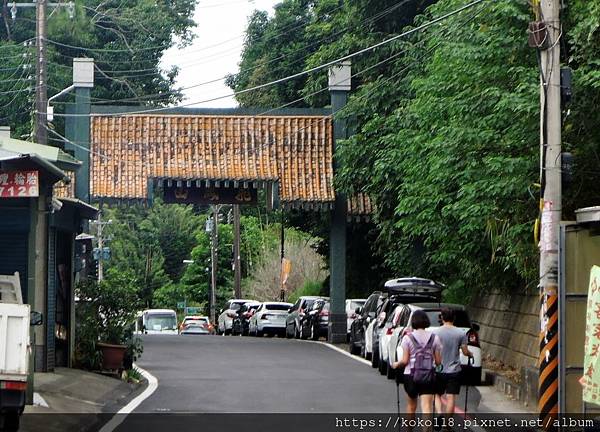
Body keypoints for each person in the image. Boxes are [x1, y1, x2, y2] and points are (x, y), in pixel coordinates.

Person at [393, 309, 442, 417]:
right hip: (428, 376)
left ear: (413, 321)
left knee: (411, 406)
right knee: (427, 407)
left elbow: (405, 361)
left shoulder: (407, 338)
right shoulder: (435, 338)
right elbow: (438, 362)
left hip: (410, 376)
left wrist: (396, 364)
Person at [433, 308, 473, 418]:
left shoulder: (435, 332)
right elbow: (465, 352)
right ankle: (447, 426)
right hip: (454, 370)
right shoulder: (460, 333)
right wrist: (471, 354)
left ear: (442, 318)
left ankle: (439, 412)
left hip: (438, 369)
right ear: (454, 318)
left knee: (436, 394)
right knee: (451, 397)